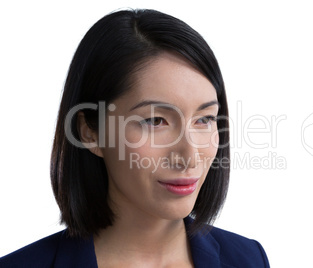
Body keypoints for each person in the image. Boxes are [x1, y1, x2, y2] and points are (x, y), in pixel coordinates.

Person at [0, 8, 269, 267]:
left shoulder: (248, 258)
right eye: (155, 121)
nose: (189, 156)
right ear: (90, 132)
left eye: (205, 119)